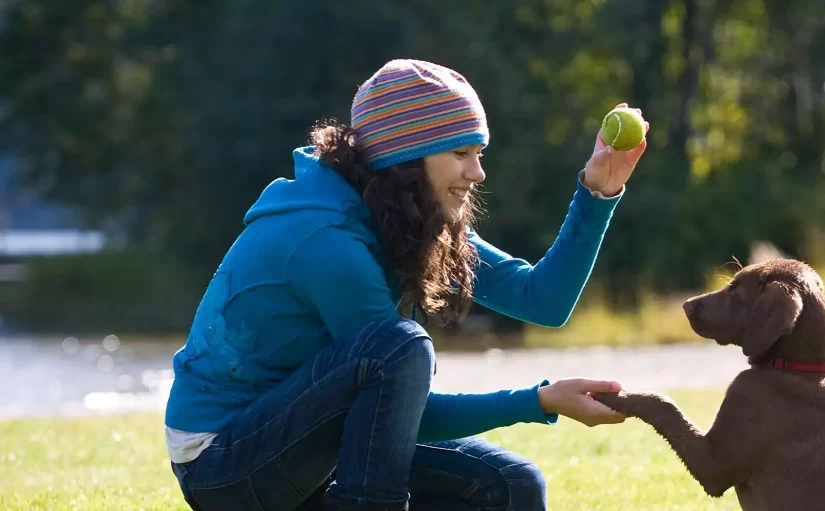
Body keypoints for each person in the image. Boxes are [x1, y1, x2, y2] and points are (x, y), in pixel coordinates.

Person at [164, 58, 649, 511]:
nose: (477, 173)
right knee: (400, 346)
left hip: (312, 445)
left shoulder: (408, 218)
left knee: (512, 485)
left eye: (478, 153)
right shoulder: (326, 240)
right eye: (461, 153)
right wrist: (537, 401)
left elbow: (541, 299)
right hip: (222, 462)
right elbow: (406, 404)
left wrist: (598, 190)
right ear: (406, 157)